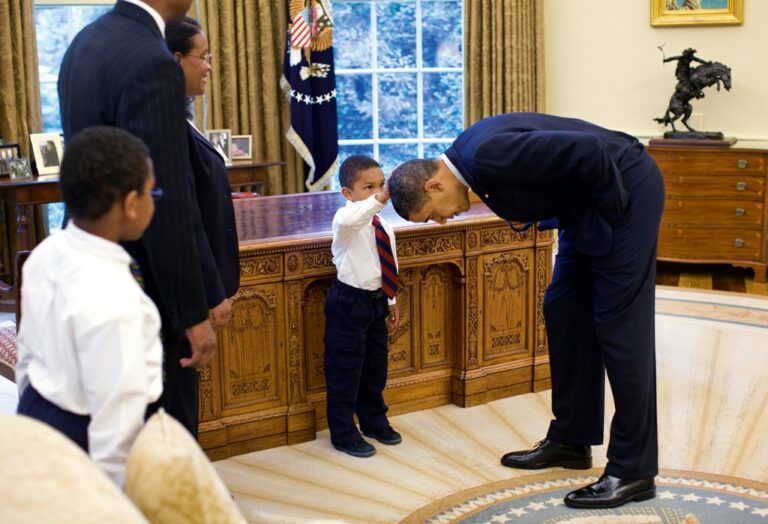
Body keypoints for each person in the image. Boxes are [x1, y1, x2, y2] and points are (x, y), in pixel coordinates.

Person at [388, 112, 664, 509]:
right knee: (564, 310)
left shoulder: (486, 155)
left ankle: (633, 470)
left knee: (621, 329)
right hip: (587, 205)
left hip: (624, 193)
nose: (442, 219)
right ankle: (572, 439)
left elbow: (590, 151)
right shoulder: (471, 159)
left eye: (432, 212)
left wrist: (612, 220)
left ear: (433, 184)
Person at [58, 0, 217, 437]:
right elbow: (165, 197)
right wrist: (191, 312)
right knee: (160, 430)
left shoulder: (85, 42)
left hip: (89, 263)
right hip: (143, 283)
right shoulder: (151, 59)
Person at [15, 126, 162, 487]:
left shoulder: (46, 253)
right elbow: (116, 423)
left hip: (36, 411)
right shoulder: (118, 300)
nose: (154, 201)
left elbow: (27, 355)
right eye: (151, 192)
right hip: (85, 438)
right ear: (130, 205)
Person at [324, 155, 402, 458]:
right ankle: (343, 433)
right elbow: (353, 218)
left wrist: (391, 299)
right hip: (349, 302)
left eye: (380, 185)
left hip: (376, 302)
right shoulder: (345, 221)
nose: (376, 192)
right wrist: (382, 198)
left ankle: (374, 420)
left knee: (375, 368)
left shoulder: (382, 223)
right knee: (345, 370)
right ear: (348, 193)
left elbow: (388, 261)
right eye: (368, 187)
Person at [166, 16, 239, 329]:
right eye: (204, 56)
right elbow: (185, 216)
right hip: (193, 291)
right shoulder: (166, 125)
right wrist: (211, 291)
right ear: (177, 59)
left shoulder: (181, 115)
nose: (209, 66)